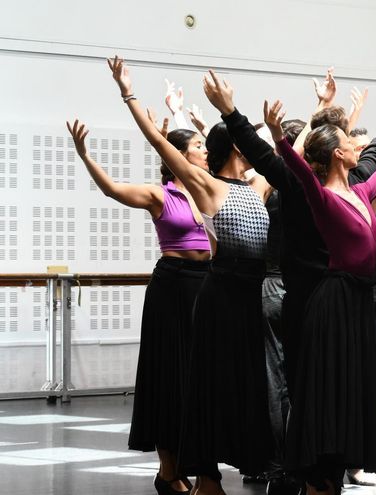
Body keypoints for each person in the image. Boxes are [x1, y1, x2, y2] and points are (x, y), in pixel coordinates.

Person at [108, 56, 275, 495]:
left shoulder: (258, 185)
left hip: (250, 297)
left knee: (246, 388)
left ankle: (250, 463)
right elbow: (163, 145)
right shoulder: (206, 185)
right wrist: (129, 95)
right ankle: (206, 477)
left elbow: (283, 163)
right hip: (218, 295)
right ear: (235, 147)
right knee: (207, 387)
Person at [265, 77, 376, 493]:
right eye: (349, 140)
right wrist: (278, 137)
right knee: (331, 391)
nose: (357, 144)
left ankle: (333, 476)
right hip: (334, 302)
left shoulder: (361, 189)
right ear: (339, 153)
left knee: (354, 390)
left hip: (358, 302)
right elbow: (299, 170)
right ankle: (320, 477)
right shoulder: (321, 196)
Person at [67, 119, 210, 495]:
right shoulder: (159, 194)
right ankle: (169, 471)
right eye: (199, 144)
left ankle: (196, 467)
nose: (206, 149)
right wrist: (84, 155)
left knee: (199, 380)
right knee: (169, 377)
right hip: (172, 286)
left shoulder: (208, 190)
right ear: (180, 154)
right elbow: (113, 190)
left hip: (207, 285)